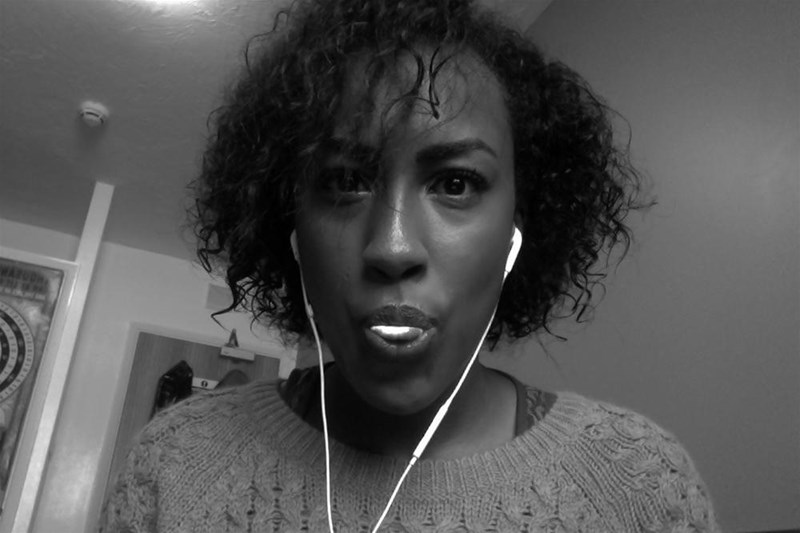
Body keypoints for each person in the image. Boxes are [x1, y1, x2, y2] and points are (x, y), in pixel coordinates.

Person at [101, 0, 719, 531]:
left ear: (520, 228)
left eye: (456, 183)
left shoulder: (639, 489)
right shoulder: (175, 464)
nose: (392, 248)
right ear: (289, 226)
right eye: (345, 181)